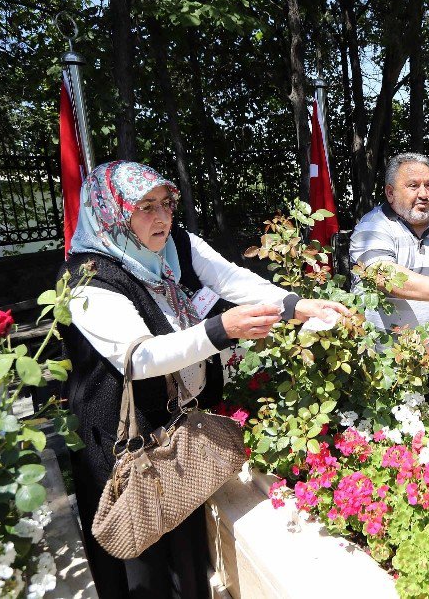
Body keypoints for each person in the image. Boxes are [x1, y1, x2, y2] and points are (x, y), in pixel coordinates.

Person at [61, 161, 346, 598]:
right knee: (143, 565)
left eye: (166, 204)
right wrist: (221, 330)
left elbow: (230, 278)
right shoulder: (86, 279)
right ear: (112, 213)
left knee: (188, 555)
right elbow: (140, 358)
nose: (161, 217)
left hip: (176, 433)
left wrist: (295, 304)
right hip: (121, 445)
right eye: (145, 207)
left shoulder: (175, 243)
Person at [349, 152, 429, 404]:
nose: (424, 193)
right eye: (413, 186)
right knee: (389, 436)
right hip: (387, 360)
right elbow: (383, 274)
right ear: (390, 192)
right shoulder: (372, 227)